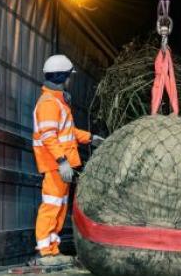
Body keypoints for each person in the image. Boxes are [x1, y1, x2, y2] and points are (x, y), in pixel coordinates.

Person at [31, 54, 104, 266]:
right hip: (56, 166)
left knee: (59, 208)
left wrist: (91, 138)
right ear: (63, 76)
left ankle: (52, 250)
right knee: (51, 207)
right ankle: (45, 252)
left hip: (61, 166)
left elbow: (68, 132)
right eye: (69, 76)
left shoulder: (58, 102)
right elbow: (48, 136)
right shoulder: (48, 103)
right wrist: (62, 161)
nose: (70, 80)